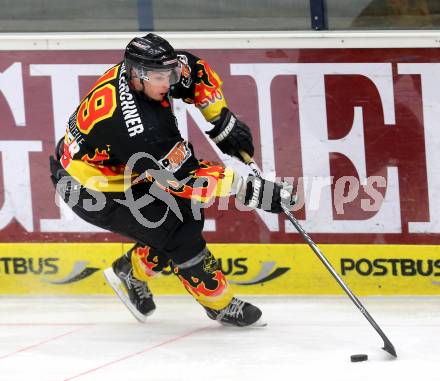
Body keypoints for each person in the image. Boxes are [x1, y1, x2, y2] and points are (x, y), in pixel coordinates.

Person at [49, 33, 296, 327]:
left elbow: (195, 70)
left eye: (170, 73)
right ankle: (220, 304)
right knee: (179, 230)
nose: (168, 83)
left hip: (122, 170)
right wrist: (251, 190)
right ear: (137, 75)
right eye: (159, 78)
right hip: (89, 189)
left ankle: (130, 271)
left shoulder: (147, 73)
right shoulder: (140, 129)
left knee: (184, 214)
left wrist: (220, 120)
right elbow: (185, 178)